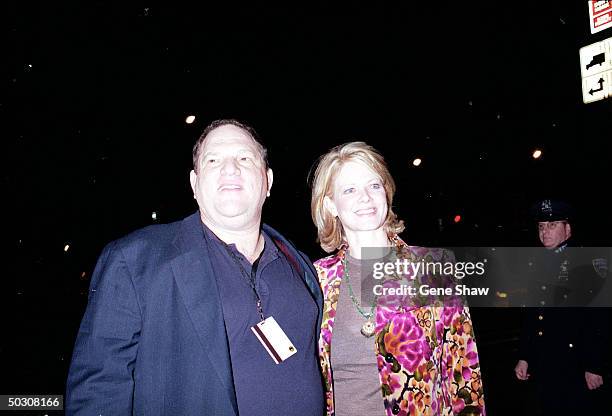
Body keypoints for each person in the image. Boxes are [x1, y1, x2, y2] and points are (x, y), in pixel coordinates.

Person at [66, 119, 325, 415]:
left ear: (268, 181)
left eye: (244, 157)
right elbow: (98, 389)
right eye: (213, 160)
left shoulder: (300, 265)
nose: (230, 168)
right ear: (194, 184)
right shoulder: (137, 260)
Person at [310, 142, 486, 416]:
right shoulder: (316, 279)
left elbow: (462, 372)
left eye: (374, 186)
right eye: (350, 190)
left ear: (387, 192)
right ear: (331, 204)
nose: (366, 198)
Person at [514, 199, 609, 414]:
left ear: (568, 229)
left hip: (576, 364)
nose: (545, 232)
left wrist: (594, 365)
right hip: (545, 362)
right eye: (541, 226)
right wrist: (525, 356)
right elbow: (533, 314)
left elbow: (599, 318)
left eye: (552, 225)